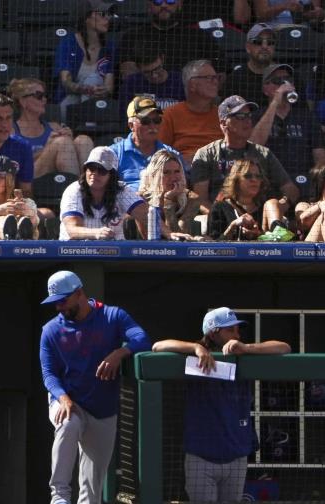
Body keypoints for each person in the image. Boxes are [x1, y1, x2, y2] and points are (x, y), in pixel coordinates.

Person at [151, 307, 290, 503]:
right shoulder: (195, 356)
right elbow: (158, 346)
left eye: (237, 330)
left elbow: (284, 347)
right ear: (214, 332)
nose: (236, 334)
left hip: (236, 453)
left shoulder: (244, 352)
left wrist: (246, 348)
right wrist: (196, 348)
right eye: (230, 330)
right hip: (201, 456)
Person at [39, 270, 151, 504]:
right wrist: (62, 398)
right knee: (68, 423)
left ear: (79, 293)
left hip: (102, 407)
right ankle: (58, 495)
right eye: (55, 302)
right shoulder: (50, 330)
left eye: (62, 300)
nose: (59, 307)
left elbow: (142, 338)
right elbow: (49, 374)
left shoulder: (112, 316)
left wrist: (120, 352)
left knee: (92, 489)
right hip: (69, 400)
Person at [191, 95, 298, 220]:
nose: (247, 121)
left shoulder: (263, 153)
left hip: (258, 219)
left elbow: (291, 190)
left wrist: (274, 210)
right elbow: (200, 199)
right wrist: (225, 219)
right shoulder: (206, 155)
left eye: (249, 116)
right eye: (240, 117)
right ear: (224, 123)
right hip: (222, 222)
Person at [250, 63, 325, 199]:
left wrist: (313, 178)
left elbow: (321, 155)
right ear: (265, 89)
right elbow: (253, 145)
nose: (284, 85)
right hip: (267, 181)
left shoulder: (307, 117)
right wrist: (274, 103)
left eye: (288, 80)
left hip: (302, 179)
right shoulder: (257, 116)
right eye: (277, 82)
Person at [118, 0, 224, 80]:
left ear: (180, 3)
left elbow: (220, 73)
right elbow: (129, 76)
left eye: (170, 0)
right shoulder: (132, 36)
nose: (164, 5)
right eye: (157, 1)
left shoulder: (200, 37)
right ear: (149, 5)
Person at [59, 146, 149, 240]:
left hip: (114, 251)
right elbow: (72, 230)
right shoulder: (73, 190)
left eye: (102, 170)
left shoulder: (122, 190)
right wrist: (96, 233)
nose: (95, 173)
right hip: (74, 252)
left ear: (112, 175)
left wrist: (166, 238)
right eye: (91, 168)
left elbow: (148, 217)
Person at [10, 77, 93, 179]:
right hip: (28, 179)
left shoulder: (54, 126)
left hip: (56, 177)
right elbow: (15, 165)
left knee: (83, 140)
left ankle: (87, 186)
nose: (44, 99)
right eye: (39, 96)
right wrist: (48, 147)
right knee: (62, 142)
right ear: (23, 101)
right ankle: (77, 191)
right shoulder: (12, 131)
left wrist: (71, 140)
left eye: (45, 95)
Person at [54, 0, 115, 117]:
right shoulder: (68, 43)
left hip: (98, 101)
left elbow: (109, 86)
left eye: (108, 14)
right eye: (102, 14)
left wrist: (104, 90)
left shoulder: (109, 46)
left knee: (93, 80)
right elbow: (66, 81)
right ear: (86, 18)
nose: (108, 18)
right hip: (71, 98)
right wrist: (83, 89)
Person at [109, 95, 183, 191]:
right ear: (131, 126)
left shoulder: (172, 154)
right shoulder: (114, 154)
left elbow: (183, 186)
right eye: (145, 121)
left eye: (157, 120)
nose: (152, 126)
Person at [159, 59, 224, 163]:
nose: (215, 82)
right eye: (209, 78)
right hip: (183, 171)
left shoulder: (223, 115)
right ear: (192, 84)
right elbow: (160, 154)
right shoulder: (171, 114)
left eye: (216, 77)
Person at [137, 149, 201, 238]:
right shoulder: (141, 199)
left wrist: (168, 201)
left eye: (177, 171)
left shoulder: (192, 198)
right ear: (155, 175)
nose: (173, 178)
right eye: (166, 172)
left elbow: (180, 235)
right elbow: (147, 236)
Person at [205, 159, 271, 240]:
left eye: (258, 176)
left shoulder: (266, 208)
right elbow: (211, 247)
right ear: (236, 180)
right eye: (248, 176)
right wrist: (233, 227)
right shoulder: (219, 208)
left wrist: (258, 235)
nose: (254, 180)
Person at [116, 48, 185, 119]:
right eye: (147, 72)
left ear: (162, 59)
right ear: (138, 68)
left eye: (157, 68)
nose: (154, 75)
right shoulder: (131, 83)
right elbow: (125, 117)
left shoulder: (181, 81)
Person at [220, 23, 277, 106]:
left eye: (270, 42)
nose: (265, 46)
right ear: (248, 47)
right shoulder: (234, 80)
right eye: (258, 42)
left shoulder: (286, 76)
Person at [251, 0, 325, 26]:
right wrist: (284, 6)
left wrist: (320, 14)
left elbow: (316, 19)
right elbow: (261, 15)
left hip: (303, 30)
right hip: (271, 31)